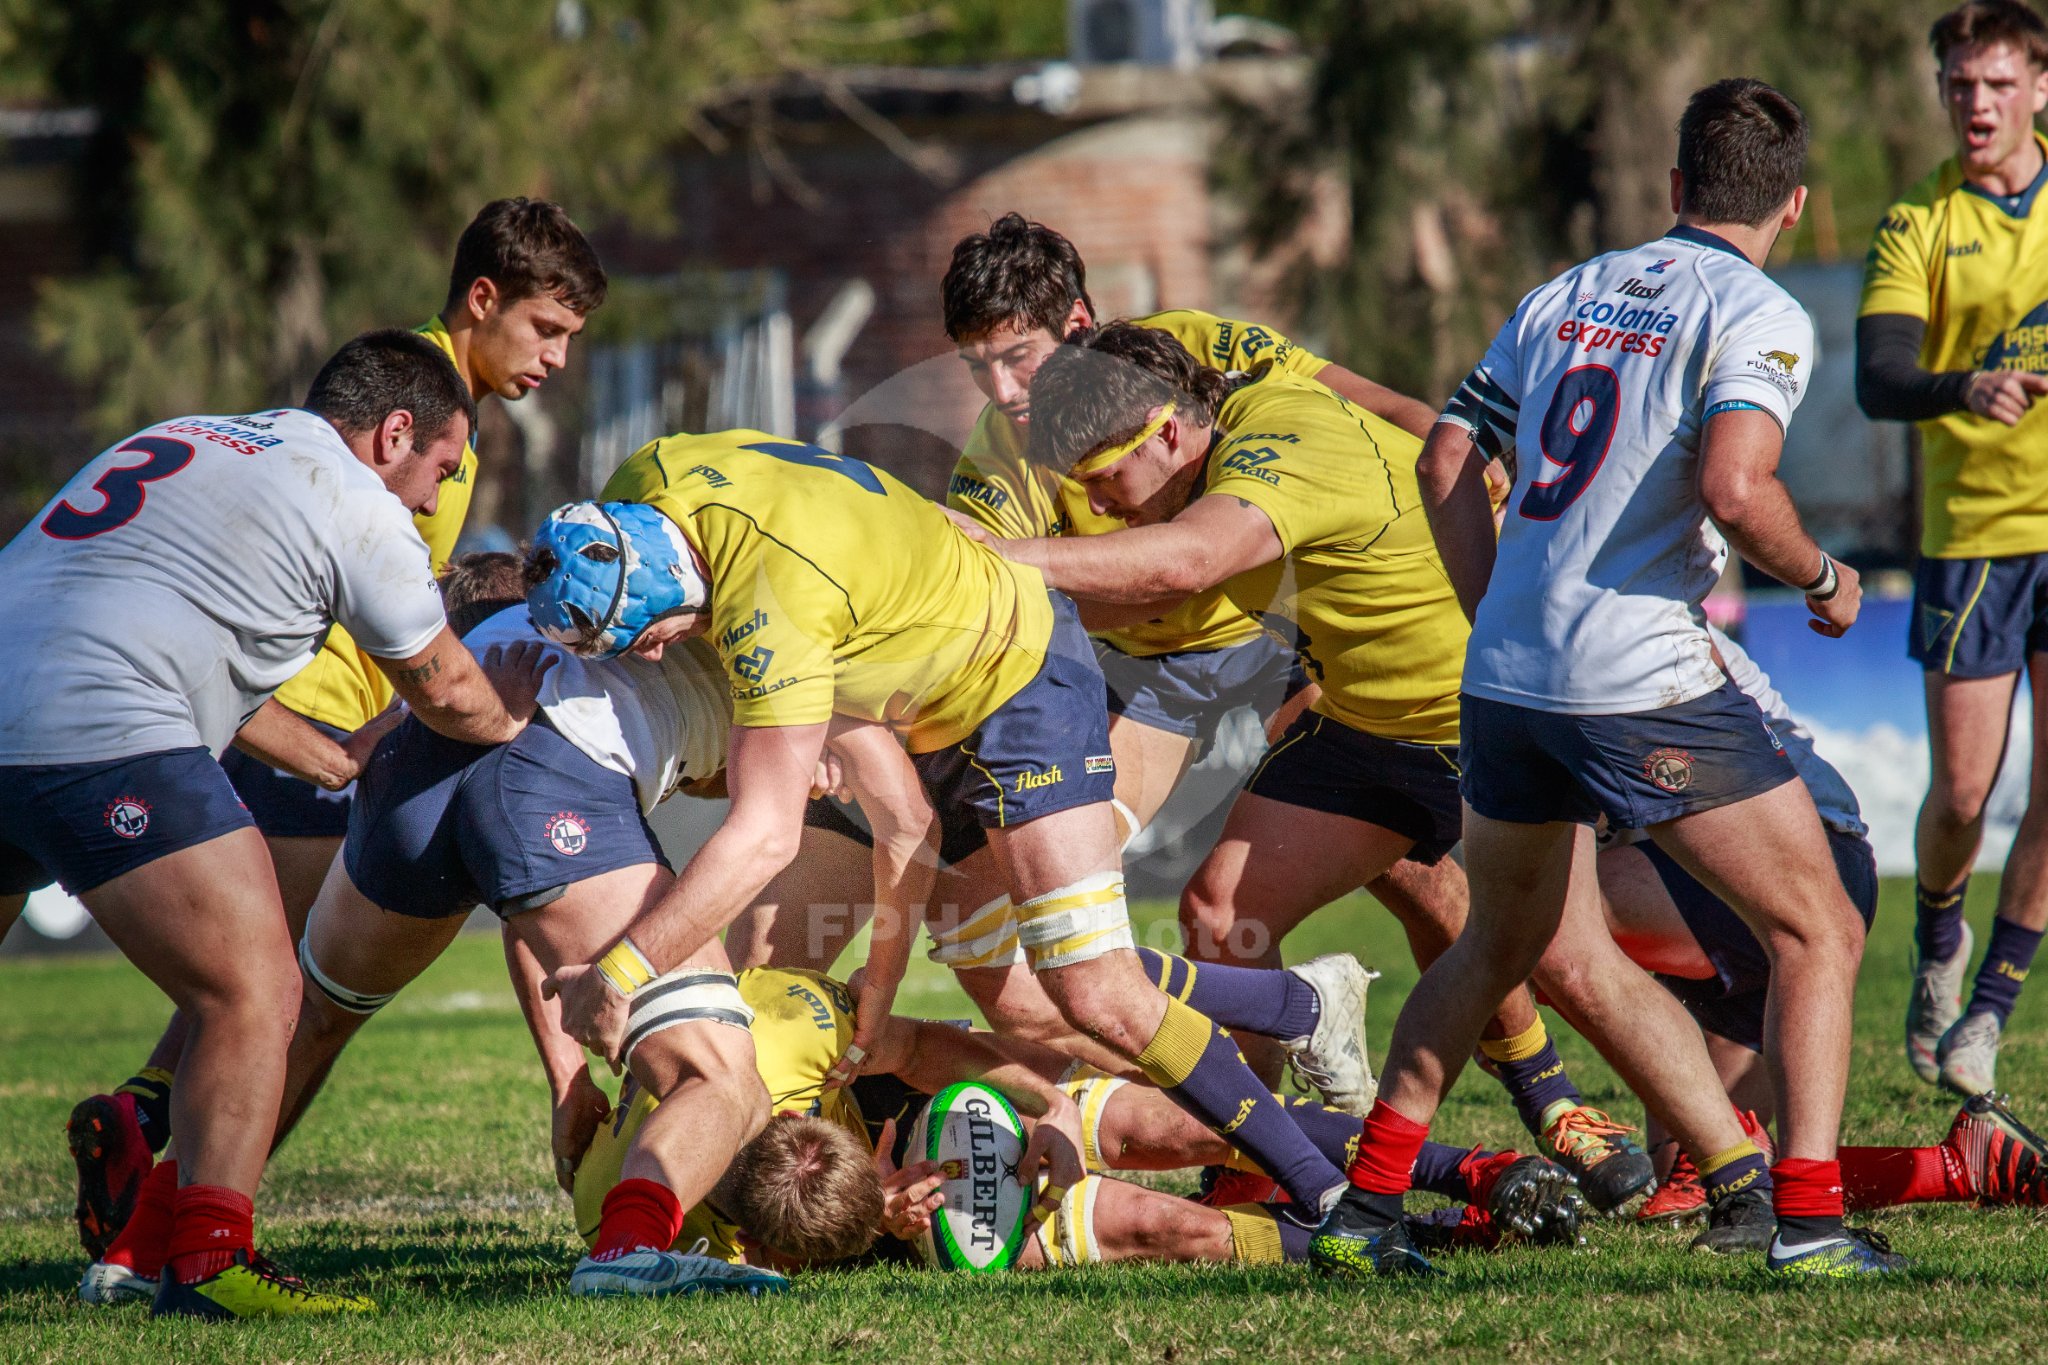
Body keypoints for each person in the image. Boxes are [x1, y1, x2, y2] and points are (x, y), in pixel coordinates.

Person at [1311, 78, 1900, 1278]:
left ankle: (1365, 1213)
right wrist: (1826, 579)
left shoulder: (1565, 291)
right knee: (1818, 926)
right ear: (1791, 205)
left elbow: (1442, 458)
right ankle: (1809, 1222)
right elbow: (1738, 492)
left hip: (1505, 679)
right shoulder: (1759, 313)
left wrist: (1498, 615)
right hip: (1636, 679)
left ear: (1674, 186)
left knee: (1492, 947)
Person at [532, 428, 1358, 1222]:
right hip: (903, 685)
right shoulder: (645, 483)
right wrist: (879, 994)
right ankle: (1300, 1002)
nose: (647, 658)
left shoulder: (772, 607)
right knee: (896, 990)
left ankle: (1326, 1189)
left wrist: (621, 972)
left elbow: (767, 837)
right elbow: (904, 823)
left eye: (645, 639)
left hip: (1017, 674)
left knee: (1091, 989)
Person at [1002, 322, 1667, 1213]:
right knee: (1220, 908)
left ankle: (1726, 1161)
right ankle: (1255, 1150)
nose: (1103, 505)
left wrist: (999, 562)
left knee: (1567, 956)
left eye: (1105, 482)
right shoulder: (1175, 409)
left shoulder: (1256, 427)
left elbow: (1190, 558)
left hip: (1473, 711)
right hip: (1359, 715)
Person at [67, 197, 608, 1257]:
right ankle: (170, 1207)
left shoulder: (436, 397)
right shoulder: (417, 398)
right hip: (314, 729)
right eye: (545, 328)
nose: (554, 357)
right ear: (483, 300)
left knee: (265, 986)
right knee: (288, 1003)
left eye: (570, 341)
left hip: (289, 718)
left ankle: (148, 1127)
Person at [0, 331, 546, 1318]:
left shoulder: (187, 438)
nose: (433, 501)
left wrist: (336, 760)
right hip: (96, 721)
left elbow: (190, 649)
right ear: (393, 434)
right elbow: (451, 692)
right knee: (255, 992)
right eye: (440, 469)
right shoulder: (355, 502)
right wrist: (524, 719)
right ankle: (207, 1262)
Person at [569, 965, 1584, 1274]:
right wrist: (882, 1218)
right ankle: (1411, 1240)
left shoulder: (779, 1031)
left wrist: (1045, 1103)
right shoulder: (679, 1253)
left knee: (1164, 1125)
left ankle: (1471, 1169)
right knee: (1161, 1229)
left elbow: (924, 1047)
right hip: (856, 1205)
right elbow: (576, 1148)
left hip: (890, 1108)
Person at [1598, 636, 2048, 1228]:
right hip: (1705, 892)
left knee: (1552, 919)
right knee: (1708, 1174)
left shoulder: (1631, 630)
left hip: (1798, 860)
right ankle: (1959, 1165)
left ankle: (1542, 1115)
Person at [1856, 0, 2048, 1096]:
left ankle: (1989, 1012)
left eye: (1994, 83)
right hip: (1972, 538)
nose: (1974, 104)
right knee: (1964, 798)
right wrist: (1960, 386)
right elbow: (1874, 378)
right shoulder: (1914, 222)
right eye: (1957, 86)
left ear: (2037, 88)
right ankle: (1938, 940)